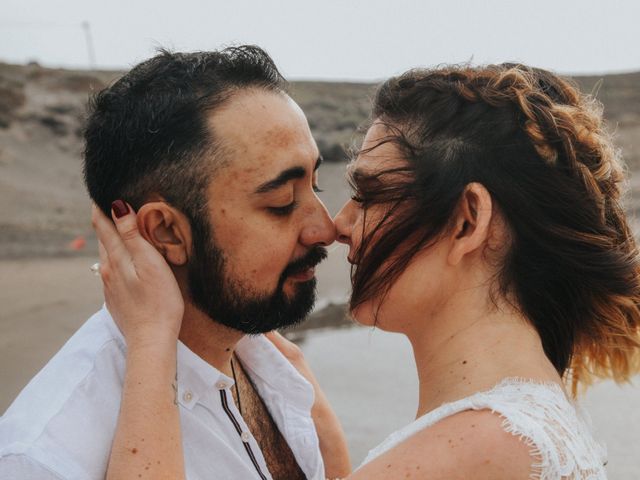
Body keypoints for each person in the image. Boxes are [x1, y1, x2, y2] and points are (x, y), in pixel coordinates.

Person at [95, 63, 640, 479]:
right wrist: (332, 454)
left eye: (371, 194)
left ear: (468, 221)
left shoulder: (477, 447)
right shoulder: (523, 419)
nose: (339, 225)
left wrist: (150, 340)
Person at [0, 47, 351, 480]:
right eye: (281, 202)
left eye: (315, 184)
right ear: (166, 232)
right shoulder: (45, 457)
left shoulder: (270, 360)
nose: (325, 229)